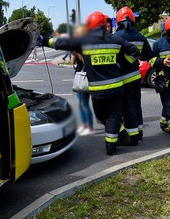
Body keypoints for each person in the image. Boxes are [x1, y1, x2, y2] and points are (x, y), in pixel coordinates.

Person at [44, 11, 140, 155]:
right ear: (103, 25)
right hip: (116, 88)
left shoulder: (84, 40)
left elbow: (61, 42)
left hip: (97, 90)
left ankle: (114, 141)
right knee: (113, 116)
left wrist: (43, 40)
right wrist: (122, 65)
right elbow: (135, 51)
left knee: (102, 115)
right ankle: (113, 144)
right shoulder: (114, 39)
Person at [112, 6, 148, 143]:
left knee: (128, 107)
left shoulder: (116, 37)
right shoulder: (140, 36)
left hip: (123, 78)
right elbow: (146, 55)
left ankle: (133, 137)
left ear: (118, 21)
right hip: (136, 77)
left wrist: (123, 63)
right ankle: (139, 132)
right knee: (136, 104)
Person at [69, 26, 94, 135]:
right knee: (80, 104)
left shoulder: (88, 47)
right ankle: (84, 125)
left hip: (85, 77)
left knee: (84, 104)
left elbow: (87, 62)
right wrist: (73, 53)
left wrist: (79, 54)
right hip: (78, 76)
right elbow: (72, 62)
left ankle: (89, 126)